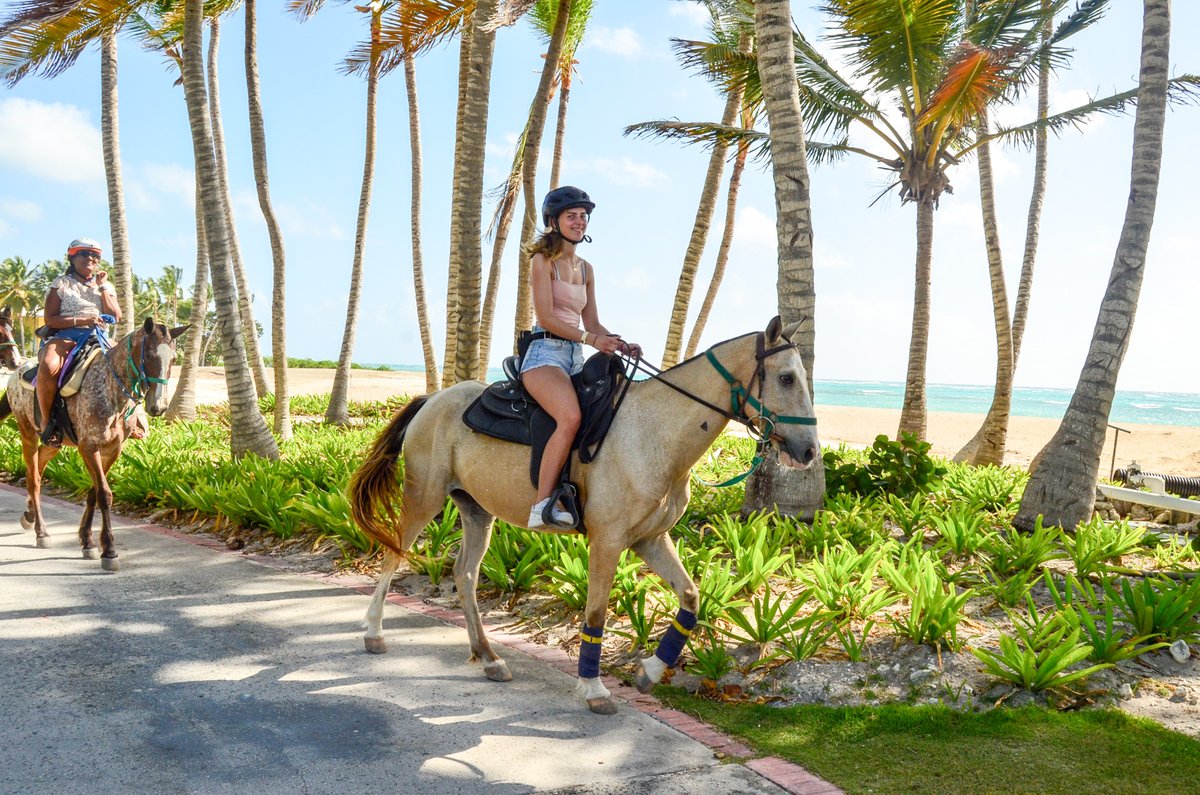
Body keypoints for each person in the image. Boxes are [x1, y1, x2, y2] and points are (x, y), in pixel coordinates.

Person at [520, 186, 641, 528]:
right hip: (544, 355)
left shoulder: (587, 269)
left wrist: (617, 343)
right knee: (570, 417)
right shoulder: (543, 261)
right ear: (553, 221)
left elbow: (592, 322)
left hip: (574, 356)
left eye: (583, 216)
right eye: (571, 216)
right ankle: (542, 505)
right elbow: (546, 317)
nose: (579, 222)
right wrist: (592, 339)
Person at [36, 237, 122, 445]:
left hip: (99, 337)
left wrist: (102, 287)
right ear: (72, 258)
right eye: (84, 254)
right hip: (66, 336)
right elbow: (50, 319)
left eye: (95, 255)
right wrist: (84, 319)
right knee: (48, 366)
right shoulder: (61, 284)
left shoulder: (105, 285)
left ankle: (134, 418)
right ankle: (48, 424)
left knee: (129, 363)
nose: (90, 258)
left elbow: (116, 316)